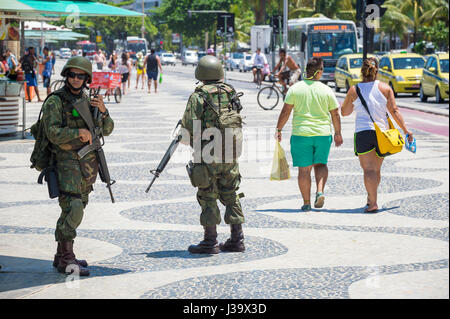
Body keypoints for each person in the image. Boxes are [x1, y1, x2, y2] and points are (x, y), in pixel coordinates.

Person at [41, 56, 114, 276]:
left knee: (76, 205)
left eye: (80, 75)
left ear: (86, 78)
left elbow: (107, 130)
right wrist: (77, 133)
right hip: (65, 163)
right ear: (66, 76)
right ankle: (66, 259)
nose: (75, 79)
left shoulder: (88, 100)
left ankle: (61, 254)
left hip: (86, 166)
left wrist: (103, 111)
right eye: (71, 75)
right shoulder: (55, 101)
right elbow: (52, 132)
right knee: (74, 208)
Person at [180, 55, 246, 254]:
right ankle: (237, 239)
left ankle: (210, 241)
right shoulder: (229, 91)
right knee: (231, 193)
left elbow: (189, 125)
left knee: (207, 194)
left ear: (200, 73)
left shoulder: (198, 96)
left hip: (207, 152)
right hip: (230, 150)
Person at [340, 57, 414, 213]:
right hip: (382, 133)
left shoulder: (354, 90)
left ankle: (372, 202)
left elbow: (344, 112)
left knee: (368, 170)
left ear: (361, 71)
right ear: (377, 71)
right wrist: (406, 130)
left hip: (363, 133)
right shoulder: (385, 88)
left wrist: (353, 102)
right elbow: (394, 111)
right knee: (376, 170)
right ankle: (371, 198)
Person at [275, 57, 343, 212]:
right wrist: (338, 133)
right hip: (322, 134)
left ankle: (306, 203)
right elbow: (335, 114)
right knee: (321, 164)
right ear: (318, 73)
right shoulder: (326, 90)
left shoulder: (295, 88)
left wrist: (279, 129)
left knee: (304, 170)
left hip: (301, 134)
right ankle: (319, 192)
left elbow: (286, 111)